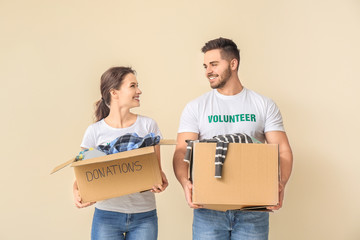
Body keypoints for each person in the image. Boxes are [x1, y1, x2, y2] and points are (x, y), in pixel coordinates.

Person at [173, 37, 293, 240]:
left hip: (253, 209)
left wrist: (281, 183)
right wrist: (186, 183)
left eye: (213, 64)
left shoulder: (263, 104)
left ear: (233, 64)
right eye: (205, 66)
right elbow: (181, 151)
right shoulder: (196, 107)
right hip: (208, 209)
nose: (207, 71)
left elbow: (282, 149)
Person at [73, 66, 168, 240]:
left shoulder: (148, 126)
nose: (139, 90)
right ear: (114, 92)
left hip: (144, 215)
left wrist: (160, 182)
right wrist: (77, 192)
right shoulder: (94, 132)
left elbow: (157, 172)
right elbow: (83, 176)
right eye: (132, 86)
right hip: (107, 215)